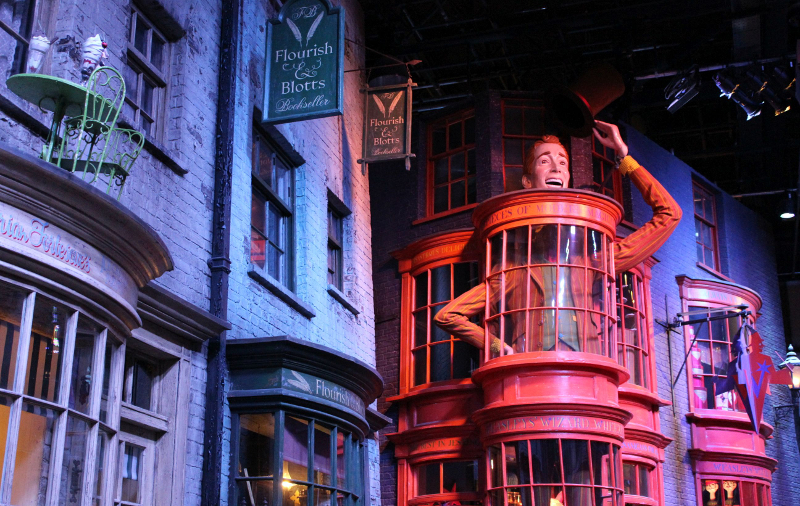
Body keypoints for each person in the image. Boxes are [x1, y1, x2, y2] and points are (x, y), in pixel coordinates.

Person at [434, 121, 682, 354]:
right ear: (527, 181)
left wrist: (623, 158)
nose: (556, 168)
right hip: (532, 367)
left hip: (586, 365)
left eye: (563, 163)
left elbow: (670, 214)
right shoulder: (513, 270)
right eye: (545, 161)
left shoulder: (591, 262)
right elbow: (447, 316)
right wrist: (498, 346)